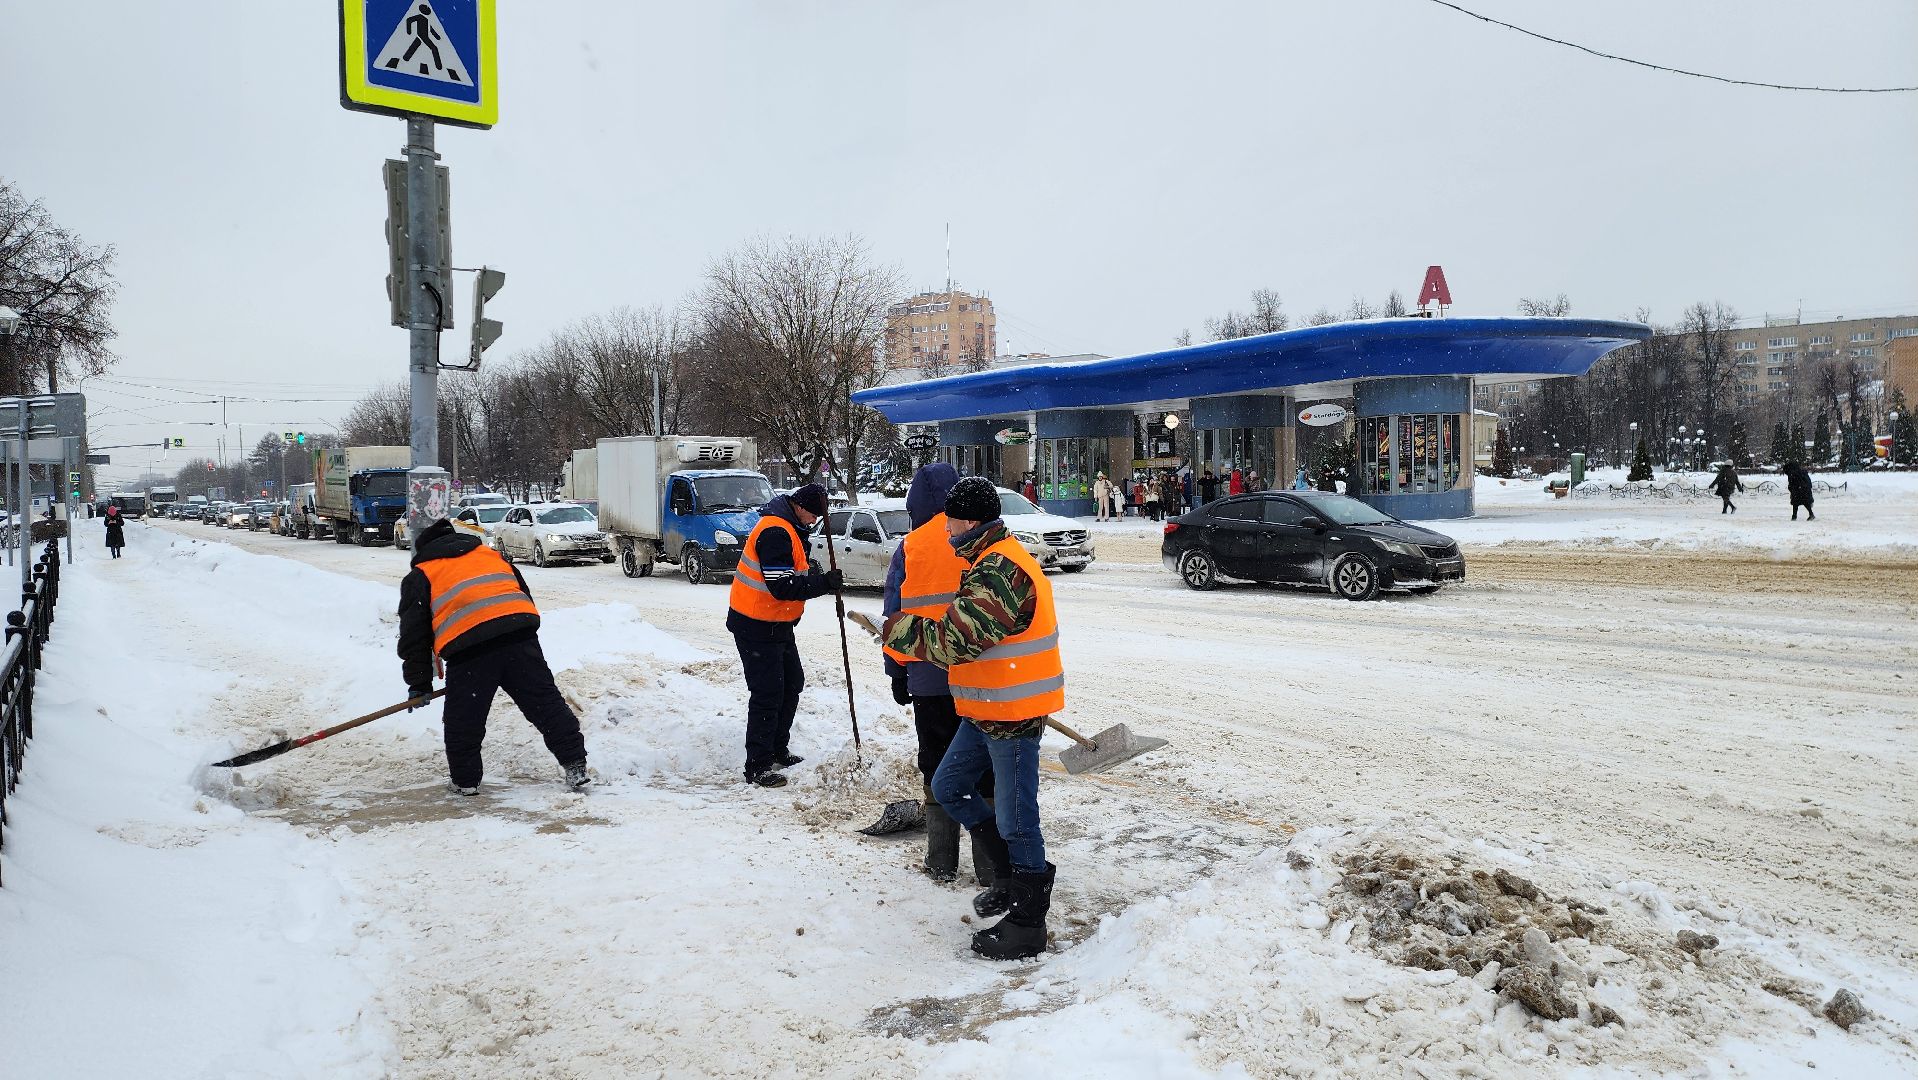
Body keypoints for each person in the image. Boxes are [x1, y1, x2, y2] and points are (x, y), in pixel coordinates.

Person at [884, 478, 1062, 962]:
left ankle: (1028, 921)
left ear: (968, 522)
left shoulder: (1001, 570)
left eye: (950, 524)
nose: (945, 533)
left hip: (1013, 714)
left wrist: (897, 630)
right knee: (949, 786)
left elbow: (955, 642)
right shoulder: (985, 560)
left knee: (1017, 818)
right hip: (984, 710)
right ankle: (1006, 876)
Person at [397, 517, 590, 796]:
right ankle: (575, 765)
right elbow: (522, 593)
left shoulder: (422, 575)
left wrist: (419, 683)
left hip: (470, 652)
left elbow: (414, 636)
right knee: (546, 704)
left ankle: (465, 781)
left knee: (464, 720)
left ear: (424, 549)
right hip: (518, 638)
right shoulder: (491, 556)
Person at [881, 463, 996, 886]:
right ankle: (988, 864)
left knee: (935, 761)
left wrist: (897, 670)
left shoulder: (910, 547)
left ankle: (941, 859)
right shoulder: (980, 541)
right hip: (981, 677)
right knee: (983, 765)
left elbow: (895, 616)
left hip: (928, 677)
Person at [726, 482, 843, 787]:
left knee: (792, 684)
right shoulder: (775, 531)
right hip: (756, 625)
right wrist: (824, 584)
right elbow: (781, 586)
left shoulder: (790, 528)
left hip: (776, 624)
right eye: (813, 515)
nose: (814, 521)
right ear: (799, 506)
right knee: (767, 693)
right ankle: (758, 765)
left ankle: (777, 748)